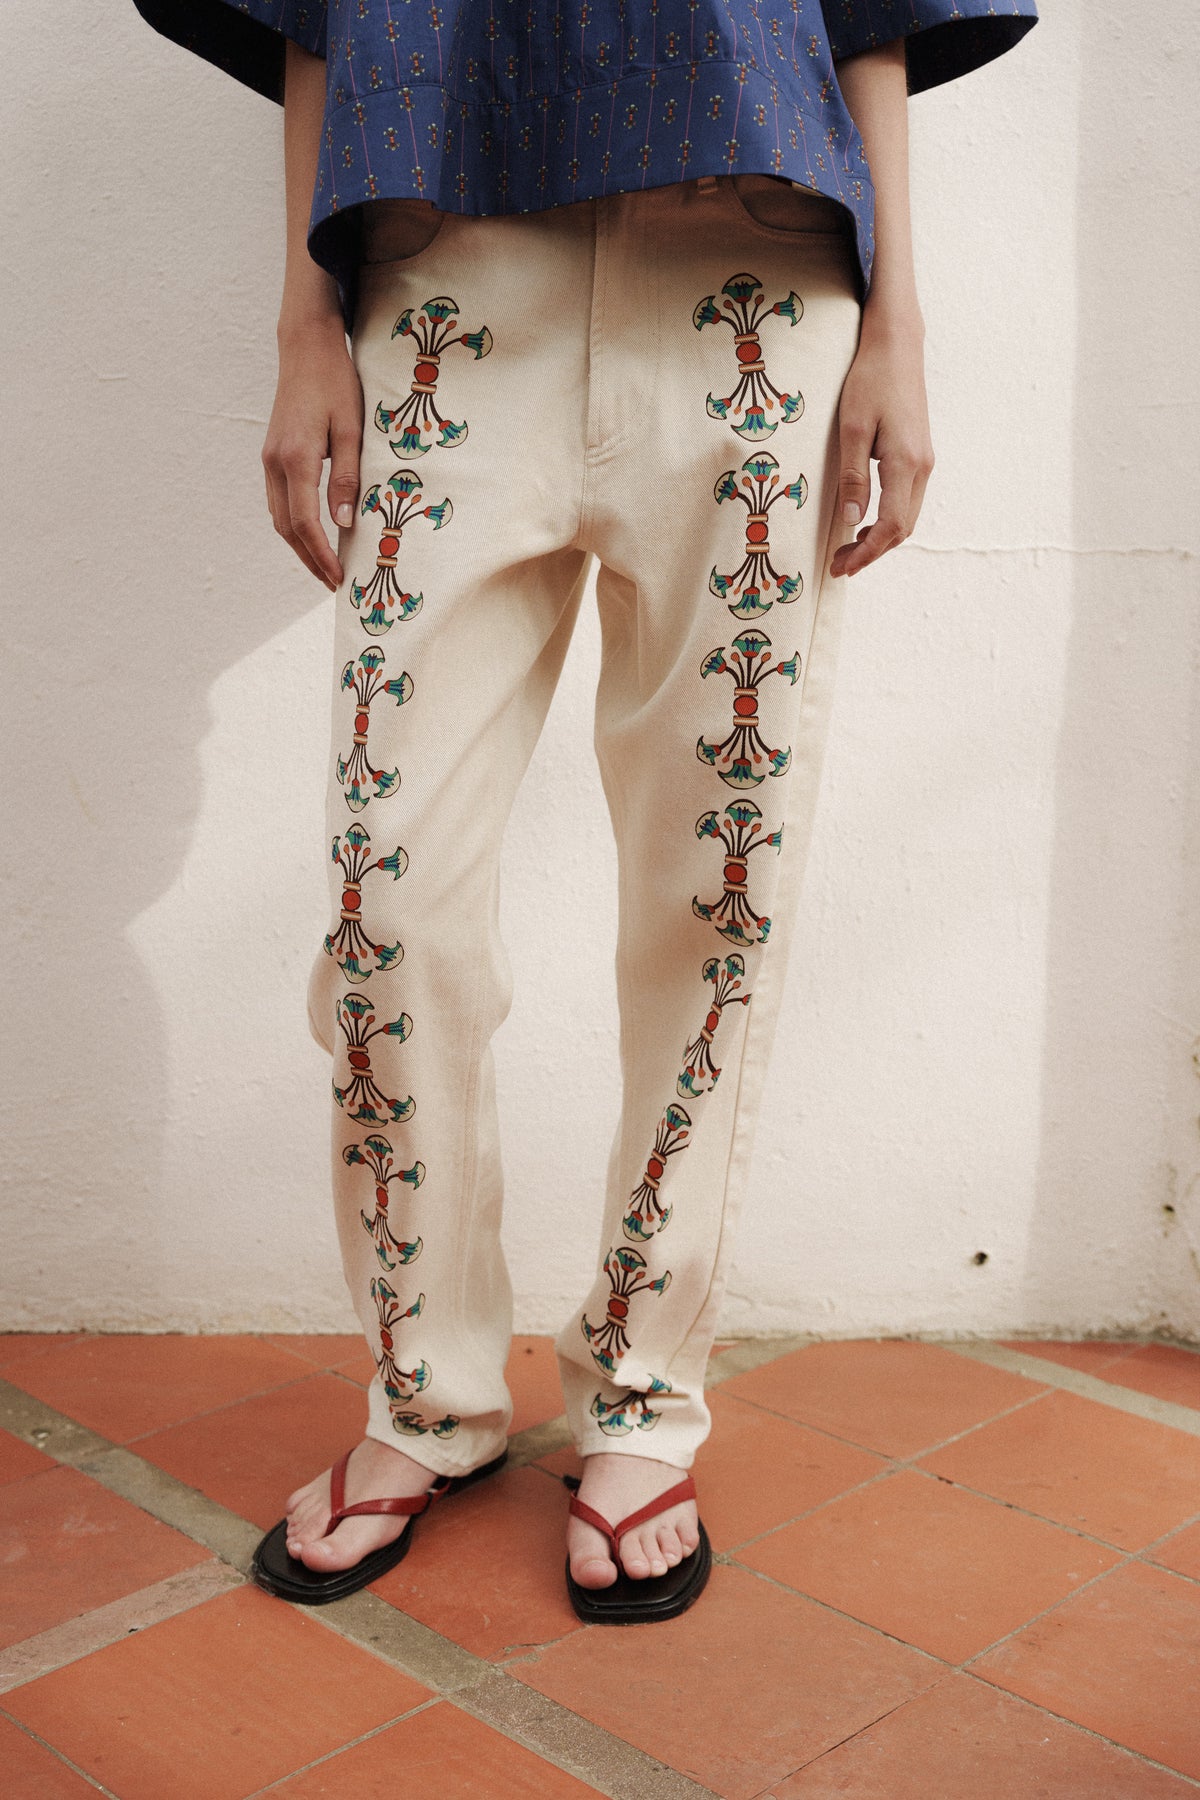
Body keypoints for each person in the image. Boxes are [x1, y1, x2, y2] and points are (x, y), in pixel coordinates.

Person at [131, 0, 1038, 1625]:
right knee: (387, 900)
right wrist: (304, 324)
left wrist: (901, 324)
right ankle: (428, 1392)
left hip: (750, 274)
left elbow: (877, 8)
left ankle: (642, 1392)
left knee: (715, 892)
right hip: (448, 281)